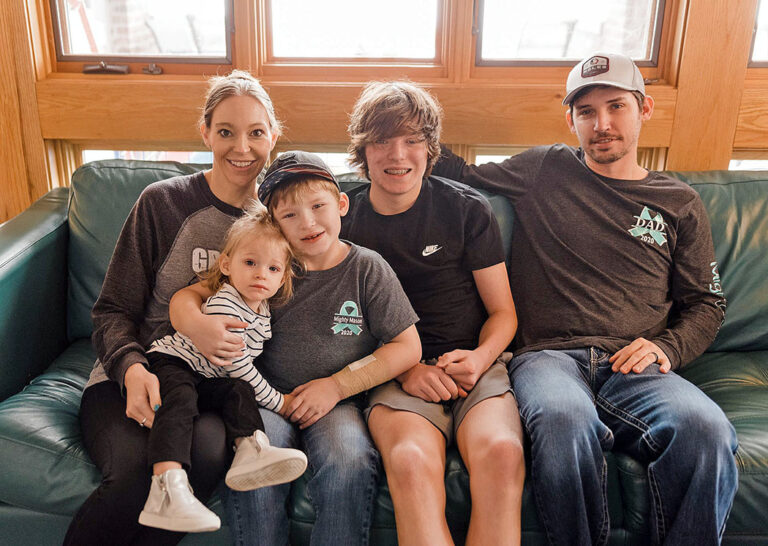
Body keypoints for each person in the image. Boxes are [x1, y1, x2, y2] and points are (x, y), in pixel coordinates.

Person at [432, 52, 739, 545]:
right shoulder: (544, 168)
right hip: (548, 358)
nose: (602, 124)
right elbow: (456, 173)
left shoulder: (678, 201)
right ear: (570, 118)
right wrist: (401, 116)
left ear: (645, 109)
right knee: (561, 423)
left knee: (707, 432)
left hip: (635, 363)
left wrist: (668, 348)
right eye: (587, 112)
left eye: (616, 106)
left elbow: (707, 303)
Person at [63, 69, 283, 546]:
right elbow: (111, 309)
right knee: (131, 478)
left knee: (204, 457)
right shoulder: (162, 203)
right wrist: (131, 369)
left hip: (211, 385)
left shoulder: (279, 219)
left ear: (273, 137)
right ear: (205, 132)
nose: (241, 148)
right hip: (136, 376)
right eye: (225, 131)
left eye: (256, 132)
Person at [170, 151, 422, 545]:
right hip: (265, 396)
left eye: (318, 207)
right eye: (289, 215)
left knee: (349, 463)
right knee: (254, 463)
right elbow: (189, 295)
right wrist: (195, 322)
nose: (307, 223)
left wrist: (336, 386)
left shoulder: (367, 268)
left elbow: (407, 346)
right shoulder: (265, 266)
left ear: (341, 205)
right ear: (273, 223)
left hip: (338, 401)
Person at [342, 81, 525, 546]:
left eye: (411, 140)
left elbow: (503, 312)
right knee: (408, 459)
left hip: (473, 367)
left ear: (430, 147)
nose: (396, 154)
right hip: (392, 371)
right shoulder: (344, 221)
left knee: (503, 452)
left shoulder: (466, 209)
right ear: (363, 150)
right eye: (381, 140)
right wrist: (406, 371)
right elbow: (341, 326)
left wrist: (480, 359)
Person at [139, 202, 307, 533]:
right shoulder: (227, 302)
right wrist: (279, 402)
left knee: (238, 393)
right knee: (182, 399)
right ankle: (166, 487)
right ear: (227, 265)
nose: (261, 274)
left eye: (273, 269)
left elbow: (235, 377)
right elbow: (239, 365)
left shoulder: (260, 307)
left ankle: (249, 450)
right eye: (250, 263)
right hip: (174, 362)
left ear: (284, 277)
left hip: (207, 375)